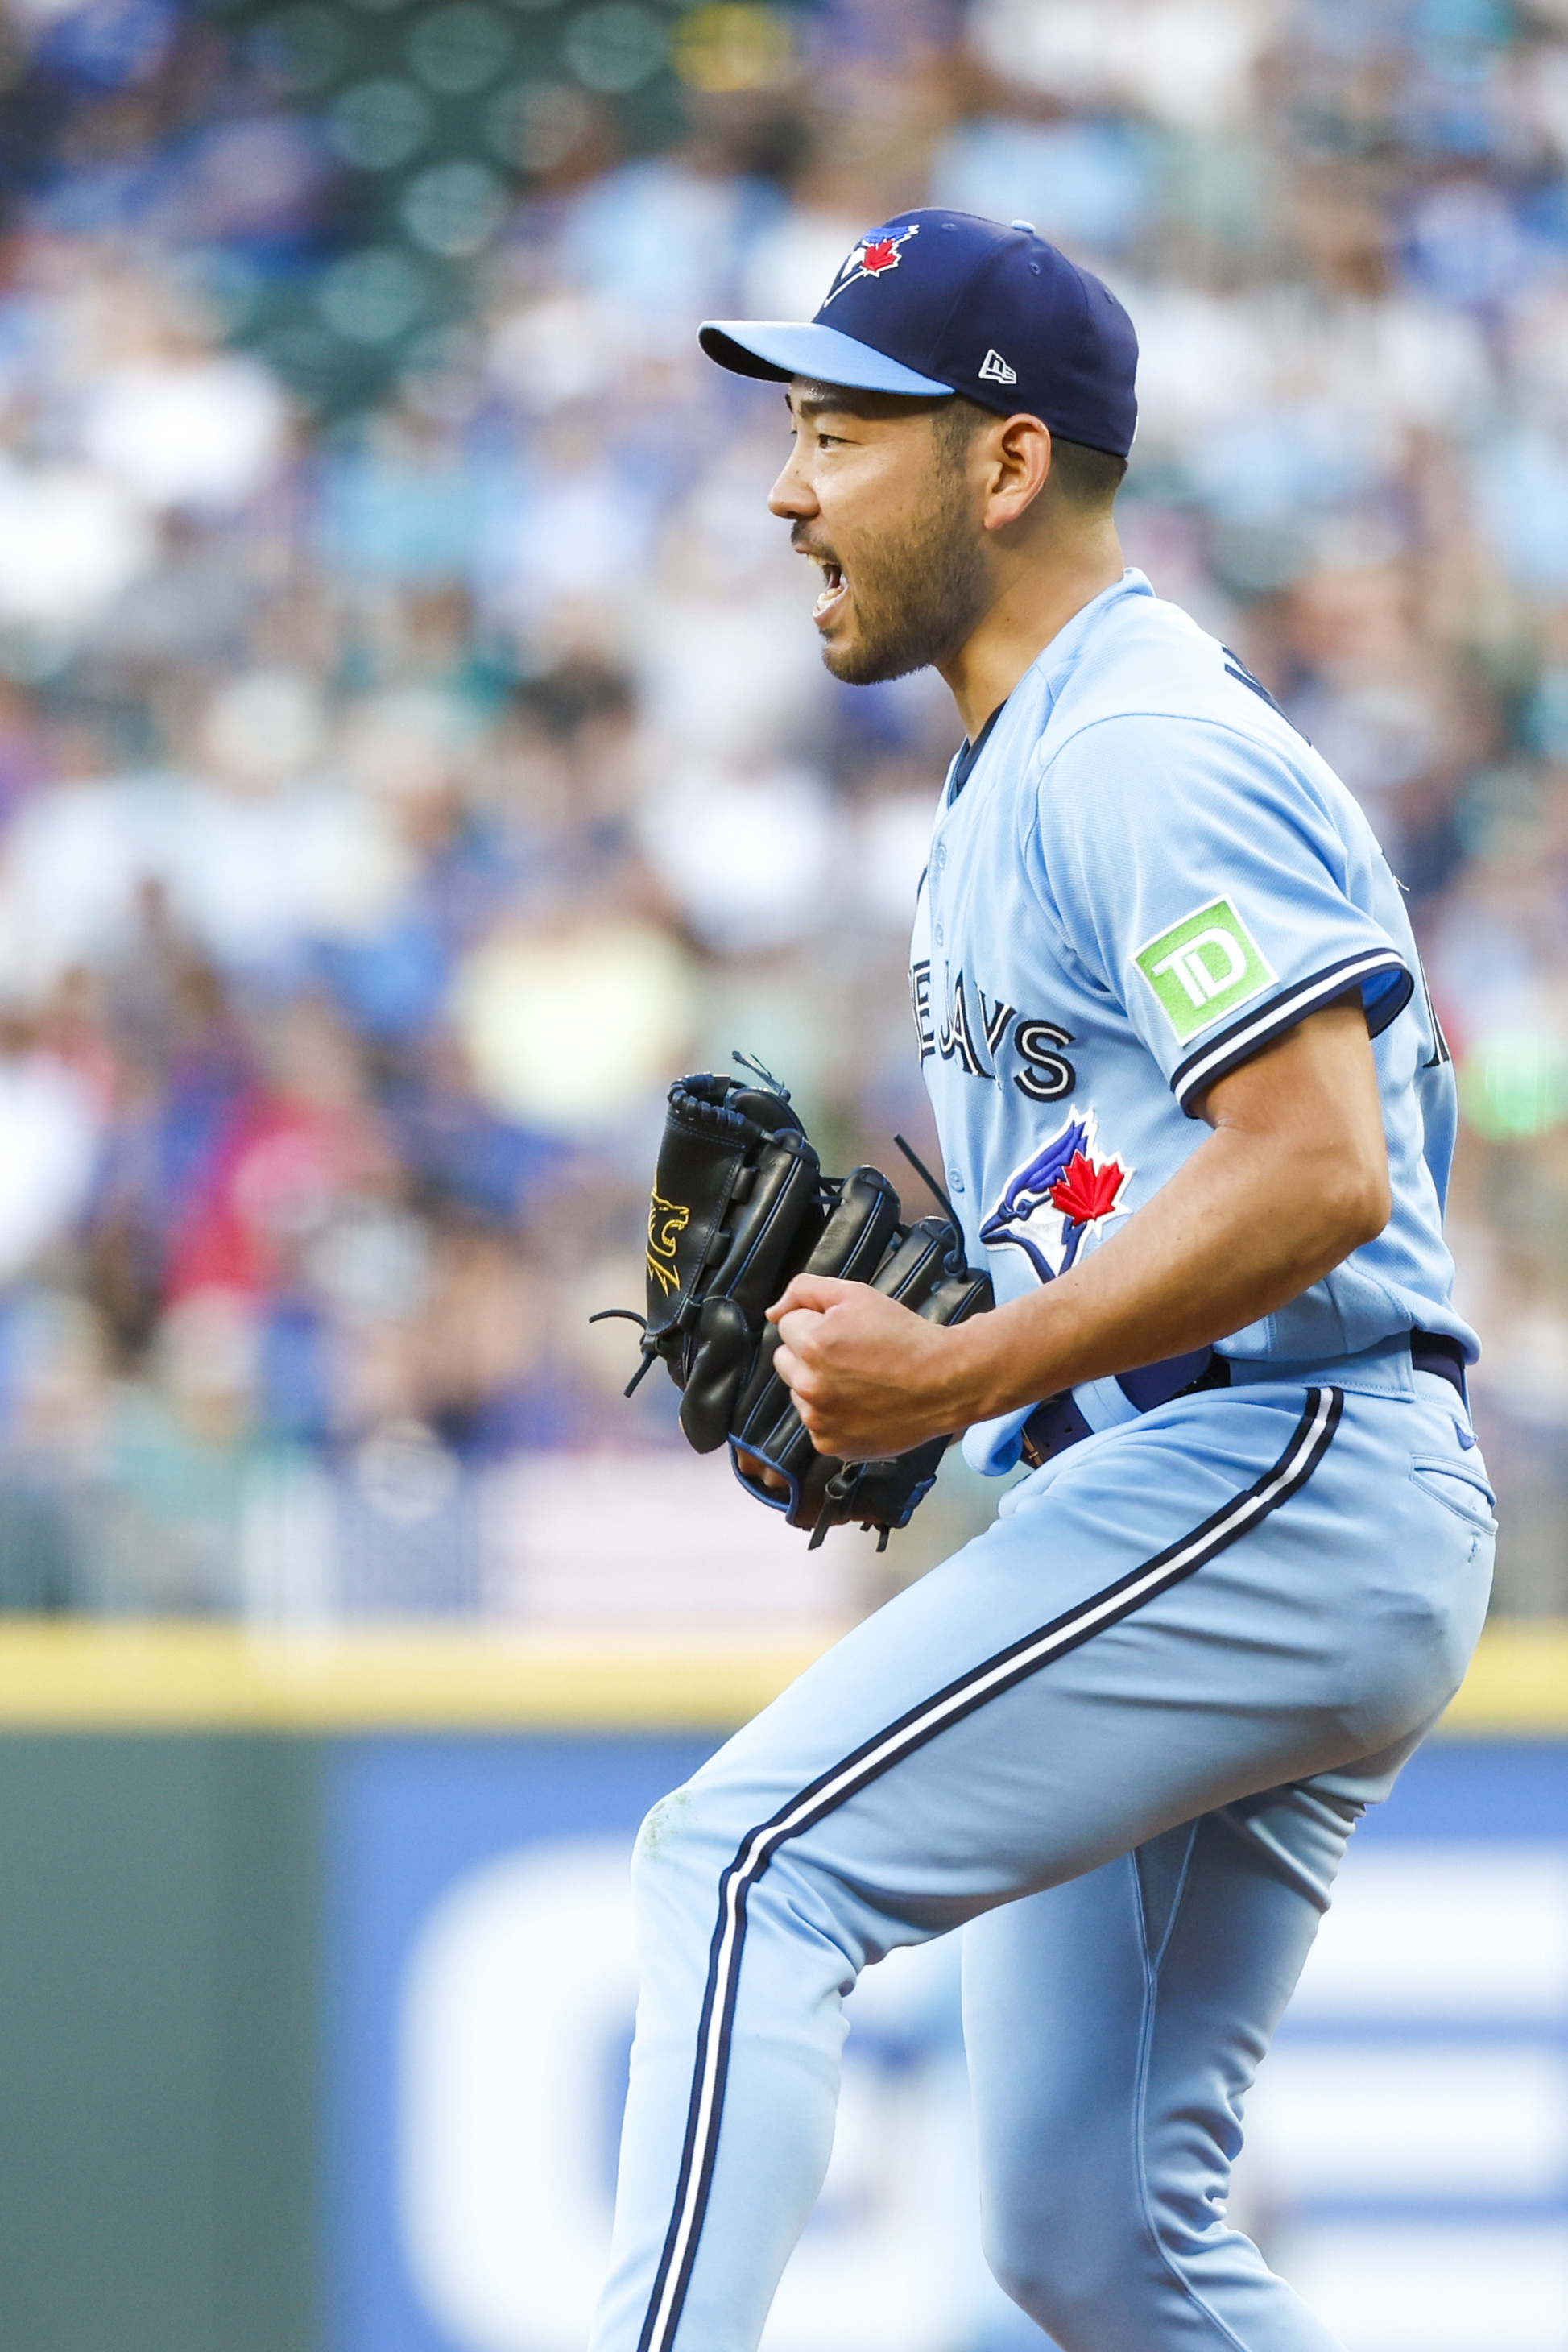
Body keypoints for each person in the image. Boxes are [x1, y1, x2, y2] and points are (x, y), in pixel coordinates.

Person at [590, 210, 1495, 2352]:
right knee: (1096, 2247)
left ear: (1002, 463)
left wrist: (966, 1363)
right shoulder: (1034, 756)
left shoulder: (1135, 750)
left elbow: (1315, 1170)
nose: (787, 484)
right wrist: (960, 1378)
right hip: (1212, 1477)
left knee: (736, 1873)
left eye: (837, 428)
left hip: (1279, 1458)